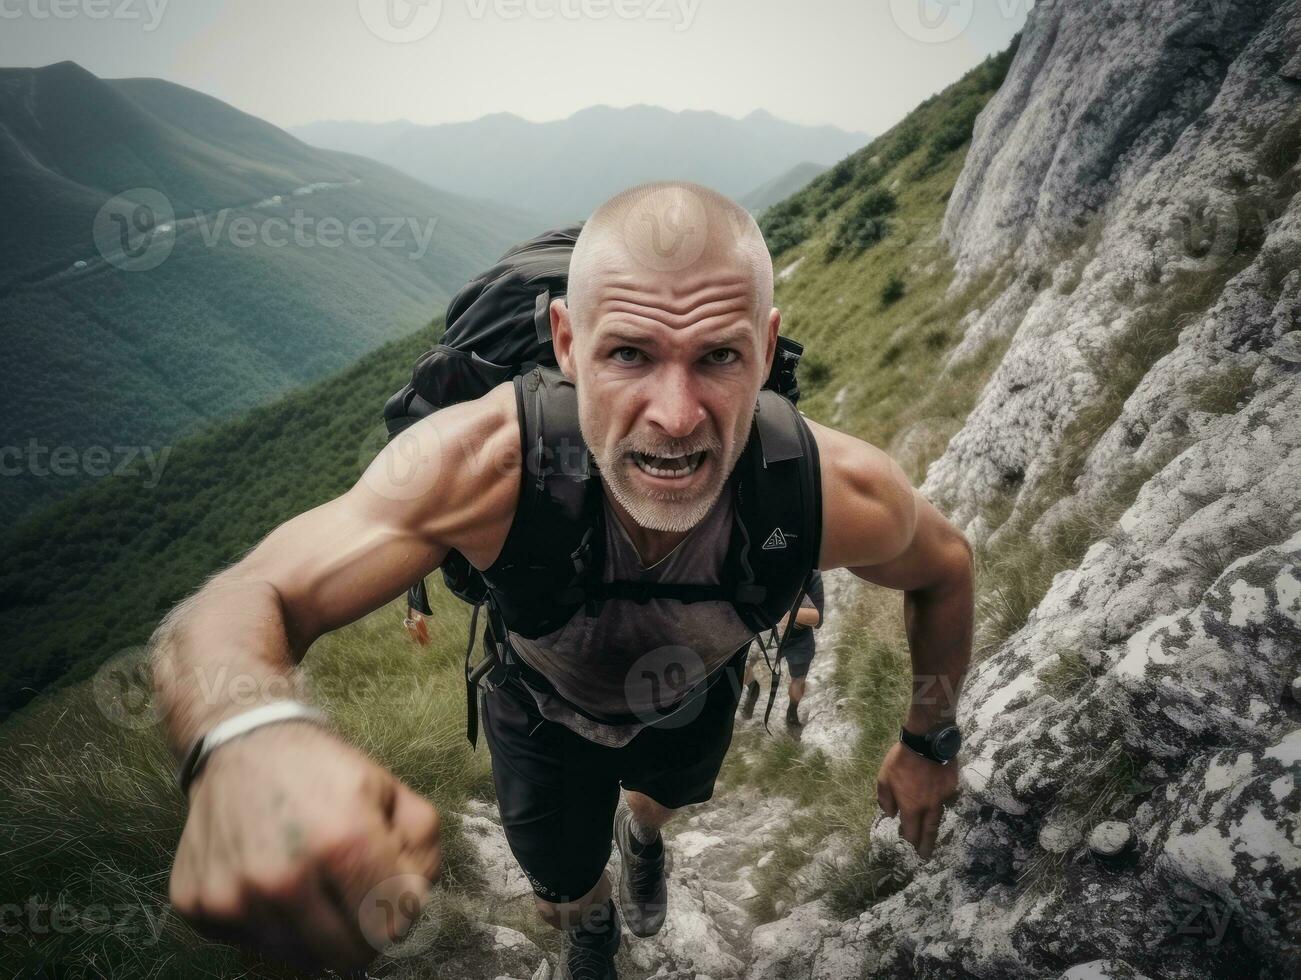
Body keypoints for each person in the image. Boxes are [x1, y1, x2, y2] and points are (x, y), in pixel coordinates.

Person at [150, 182, 974, 980]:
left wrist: (926, 740)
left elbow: (944, 568)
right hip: (537, 713)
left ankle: (643, 841)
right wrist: (246, 739)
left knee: (657, 800)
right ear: (566, 343)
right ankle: (593, 925)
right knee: (563, 878)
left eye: (718, 356)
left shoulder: (830, 490)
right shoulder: (486, 466)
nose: (675, 415)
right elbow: (251, 592)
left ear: (765, 347)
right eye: (627, 354)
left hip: (689, 697)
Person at [740, 568, 825, 727]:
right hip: (764, 632)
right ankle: (753, 688)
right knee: (742, 669)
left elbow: (817, 618)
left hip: (799, 638)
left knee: (798, 680)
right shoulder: (758, 563)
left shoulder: (810, 574)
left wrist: (784, 612)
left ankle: (792, 710)